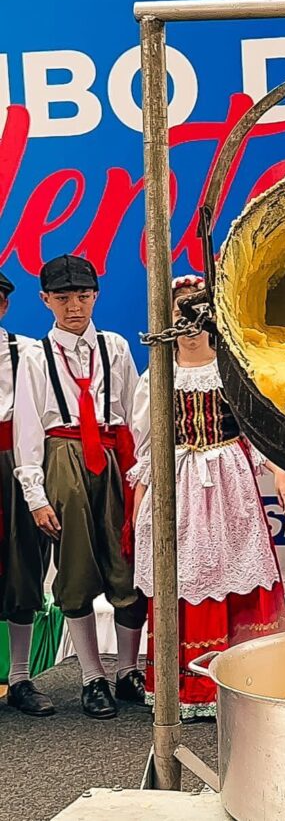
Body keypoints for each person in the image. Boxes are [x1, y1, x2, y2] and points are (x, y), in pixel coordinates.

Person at [129, 275, 285, 720]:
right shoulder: (158, 375)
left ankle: (249, 678)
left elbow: (257, 432)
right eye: (183, 315)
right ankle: (188, 685)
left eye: (200, 316)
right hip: (180, 478)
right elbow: (146, 445)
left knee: (236, 564)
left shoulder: (230, 369)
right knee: (183, 573)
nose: (192, 326)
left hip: (228, 477)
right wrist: (142, 499)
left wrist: (281, 471)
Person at [14, 255, 146, 719]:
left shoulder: (115, 348)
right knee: (74, 572)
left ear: (96, 295)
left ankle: (129, 671)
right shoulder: (35, 357)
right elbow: (27, 429)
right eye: (64, 297)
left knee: (128, 563)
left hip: (114, 457)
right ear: (45, 300)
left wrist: (142, 471)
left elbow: (136, 412)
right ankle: (93, 677)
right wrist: (35, 496)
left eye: (83, 295)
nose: (75, 306)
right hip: (64, 459)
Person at [0, 271, 53, 716]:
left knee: (23, 567)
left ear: (3, 307)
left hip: (13, 464)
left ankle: (19, 676)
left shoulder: (28, 353)